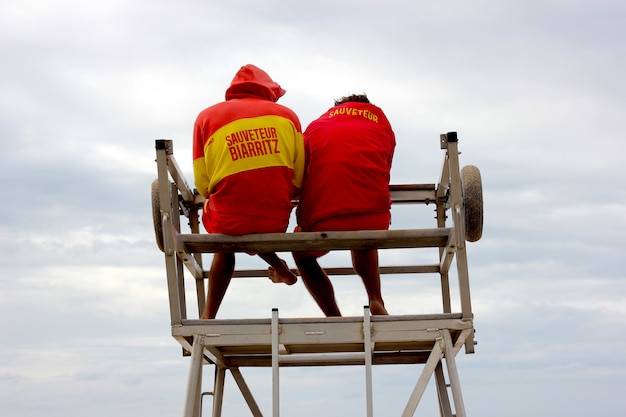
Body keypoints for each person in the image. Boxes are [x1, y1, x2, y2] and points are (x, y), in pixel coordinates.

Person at [193, 64, 304, 319]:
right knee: (246, 220)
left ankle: (208, 316)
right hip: (275, 217)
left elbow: (203, 185)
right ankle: (281, 267)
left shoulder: (206, 117)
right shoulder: (288, 116)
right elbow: (299, 179)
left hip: (229, 217)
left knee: (226, 234)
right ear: (269, 91)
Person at [286, 93, 396, 316]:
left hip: (325, 217)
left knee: (301, 252)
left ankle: (333, 315)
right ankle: (376, 298)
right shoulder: (382, 125)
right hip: (373, 216)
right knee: (365, 238)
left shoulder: (316, 127)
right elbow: (385, 166)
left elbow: (302, 172)